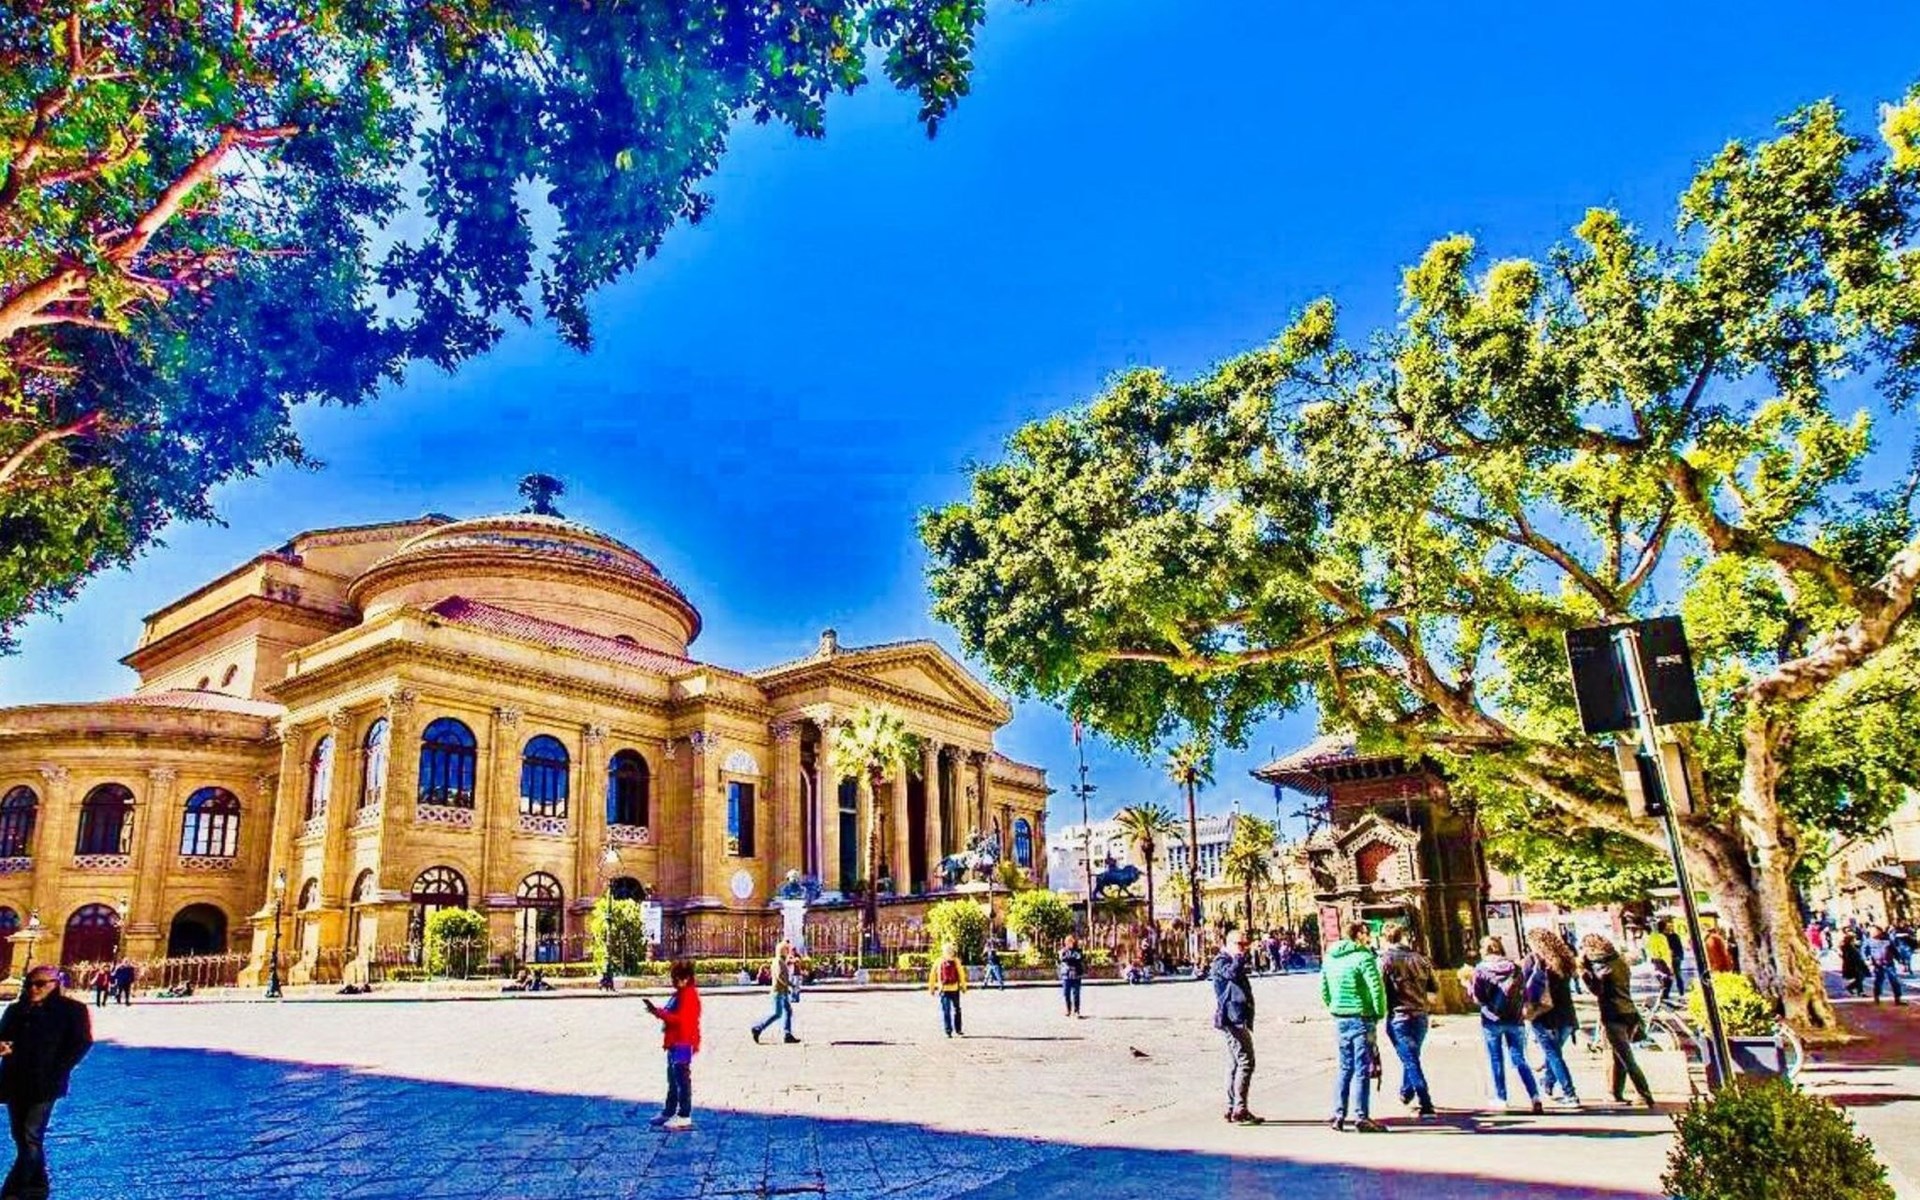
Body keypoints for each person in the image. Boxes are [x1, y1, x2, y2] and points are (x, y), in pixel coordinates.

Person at [0, 965, 94, 1200]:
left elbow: (82, 1042)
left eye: (40, 984)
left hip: (45, 1084)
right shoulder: (16, 1010)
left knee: (30, 1135)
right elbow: (3, 1036)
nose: (34, 988)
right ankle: (38, 1188)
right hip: (14, 1081)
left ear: (55, 984)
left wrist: (58, 1069)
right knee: (21, 1136)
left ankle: (12, 1191)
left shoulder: (72, 1010)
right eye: (30, 984)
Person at [1320, 921, 1388, 1132]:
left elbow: (1324, 988)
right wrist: (1379, 1012)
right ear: (1358, 935)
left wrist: (1334, 1006)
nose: (1368, 937)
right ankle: (1361, 1116)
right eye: (1366, 933)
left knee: (1344, 1067)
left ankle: (1339, 1115)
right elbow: (1376, 988)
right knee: (1361, 1068)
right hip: (1362, 1016)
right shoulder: (1364, 957)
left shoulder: (1330, 957)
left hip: (1341, 1017)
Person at [1579, 934, 1655, 1109]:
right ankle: (1616, 1093)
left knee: (1626, 1058)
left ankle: (1644, 1094)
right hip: (1630, 1011)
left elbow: (1598, 991)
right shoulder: (1619, 961)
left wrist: (1586, 975)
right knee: (1619, 1055)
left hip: (1613, 1014)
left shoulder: (1601, 968)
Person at [1470, 935, 1542, 1114]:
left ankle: (1501, 1098)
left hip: (1491, 1019)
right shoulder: (1515, 967)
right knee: (1519, 1058)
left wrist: (1468, 986)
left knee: (1496, 1059)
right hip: (1515, 1018)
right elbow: (1524, 992)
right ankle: (1534, 1096)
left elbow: (1478, 998)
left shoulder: (1480, 969)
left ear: (1484, 950)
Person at [1378, 924, 1437, 1117]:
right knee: (1412, 1056)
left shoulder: (1385, 960)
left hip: (1399, 1015)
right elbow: (1433, 989)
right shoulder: (1420, 958)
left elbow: (1380, 990)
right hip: (1420, 1015)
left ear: (1384, 938)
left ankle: (1426, 1102)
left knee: (1410, 1059)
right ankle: (1406, 1091)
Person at [1522, 927, 1581, 1109]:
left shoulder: (1534, 960)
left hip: (1543, 1014)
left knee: (1553, 1055)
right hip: (1566, 1014)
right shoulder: (1565, 960)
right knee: (1554, 1053)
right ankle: (1547, 1083)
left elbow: (1524, 986)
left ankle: (1570, 1094)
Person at [642, 960, 701, 1130]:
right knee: (673, 1079)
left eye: (679, 979)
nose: (677, 982)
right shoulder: (679, 994)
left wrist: (658, 1013)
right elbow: (670, 1012)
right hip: (675, 1041)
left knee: (682, 1079)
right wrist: (657, 1011)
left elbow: (681, 1019)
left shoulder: (689, 995)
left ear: (687, 978)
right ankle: (669, 1111)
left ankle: (684, 1115)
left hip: (684, 1041)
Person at [1211, 928, 1262, 1125]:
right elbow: (1231, 974)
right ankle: (1239, 1109)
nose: (1243, 948)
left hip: (1236, 1016)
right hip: (1232, 1018)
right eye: (1240, 944)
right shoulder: (1221, 961)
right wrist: (1239, 958)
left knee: (1234, 1063)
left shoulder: (1231, 960)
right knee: (1246, 1061)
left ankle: (1232, 1107)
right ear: (1229, 943)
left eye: (1245, 944)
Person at [750, 941, 801, 1044]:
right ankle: (758, 1028)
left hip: (783, 991)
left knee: (788, 1011)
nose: (788, 952)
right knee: (777, 1013)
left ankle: (787, 1034)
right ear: (782, 950)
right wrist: (789, 985)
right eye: (786, 950)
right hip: (778, 991)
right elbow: (780, 976)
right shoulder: (778, 961)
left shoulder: (781, 961)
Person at [928, 942, 967, 1037]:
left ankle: (948, 1031)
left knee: (946, 1010)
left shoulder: (939, 961)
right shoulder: (956, 960)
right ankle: (958, 1029)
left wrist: (931, 989)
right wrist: (963, 987)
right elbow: (961, 974)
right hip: (955, 988)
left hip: (943, 989)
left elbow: (932, 975)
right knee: (957, 1009)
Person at [1864, 927, 1904, 1004]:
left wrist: (1900, 961)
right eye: (1871, 932)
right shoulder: (1868, 941)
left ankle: (1898, 999)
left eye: (1874, 931)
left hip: (1889, 964)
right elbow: (1864, 951)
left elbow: (1894, 951)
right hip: (1877, 965)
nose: (1872, 933)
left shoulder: (1887, 940)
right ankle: (1876, 997)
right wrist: (1866, 959)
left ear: (1880, 932)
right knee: (1878, 981)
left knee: (1894, 980)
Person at [1058, 934, 1086, 1018]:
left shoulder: (1078, 951)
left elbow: (1079, 959)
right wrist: (1072, 959)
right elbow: (1063, 959)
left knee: (1076, 994)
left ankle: (1076, 1011)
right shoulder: (1063, 951)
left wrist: (1071, 959)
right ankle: (1068, 1010)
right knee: (1066, 993)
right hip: (1066, 975)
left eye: (1071, 941)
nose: (1070, 943)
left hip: (1076, 974)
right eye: (1068, 942)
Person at [1840, 931, 1869, 996]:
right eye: (1854, 939)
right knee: (1860, 978)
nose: (1855, 940)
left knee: (1860, 978)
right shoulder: (1848, 948)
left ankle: (1858, 991)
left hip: (1856, 965)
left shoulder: (1852, 947)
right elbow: (1850, 958)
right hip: (1853, 966)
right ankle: (1854, 989)